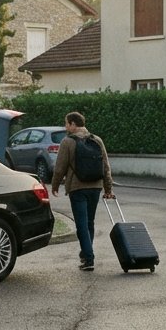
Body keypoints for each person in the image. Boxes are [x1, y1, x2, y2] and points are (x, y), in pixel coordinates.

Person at [50, 111, 114, 271]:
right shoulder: (97, 140)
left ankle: (89, 257)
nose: (65, 127)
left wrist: (55, 185)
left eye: (66, 123)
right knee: (89, 222)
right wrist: (108, 188)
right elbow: (106, 166)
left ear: (73, 124)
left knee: (81, 224)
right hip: (95, 187)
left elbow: (60, 167)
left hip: (77, 187)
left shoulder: (67, 142)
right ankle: (86, 255)